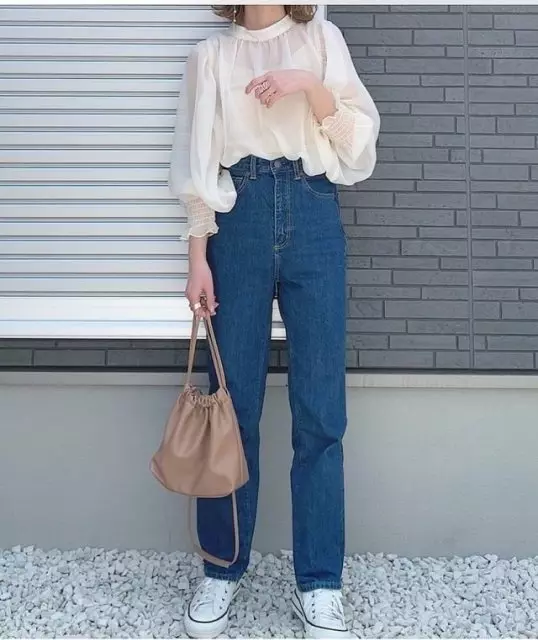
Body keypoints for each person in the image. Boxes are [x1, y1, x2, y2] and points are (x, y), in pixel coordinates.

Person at [168, 4, 380, 638]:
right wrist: (197, 259)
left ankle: (320, 582)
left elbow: (358, 143)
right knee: (233, 408)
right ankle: (222, 567)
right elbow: (196, 165)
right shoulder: (211, 56)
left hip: (314, 214)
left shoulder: (321, 38)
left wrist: (307, 84)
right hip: (239, 221)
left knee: (321, 413)